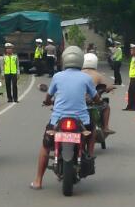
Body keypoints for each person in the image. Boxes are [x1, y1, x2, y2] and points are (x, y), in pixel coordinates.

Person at [30, 46, 98, 190]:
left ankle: (38, 181)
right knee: (93, 129)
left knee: (46, 145)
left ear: (64, 60)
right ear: (80, 61)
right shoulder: (86, 78)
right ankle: (90, 154)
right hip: (82, 121)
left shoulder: (57, 76)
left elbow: (48, 96)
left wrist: (47, 102)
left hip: (58, 120)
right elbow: (95, 97)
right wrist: (98, 101)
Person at [82, 52, 116, 136]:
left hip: (77, 102)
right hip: (92, 102)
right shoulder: (98, 75)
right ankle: (105, 127)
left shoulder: (78, 73)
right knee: (106, 106)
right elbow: (106, 87)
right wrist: (110, 88)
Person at [123, 44, 135, 111]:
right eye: (131, 49)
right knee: (130, 92)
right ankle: (129, 106)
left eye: (132, 49)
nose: (131, 50)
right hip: (133, 77)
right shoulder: (133, 57)